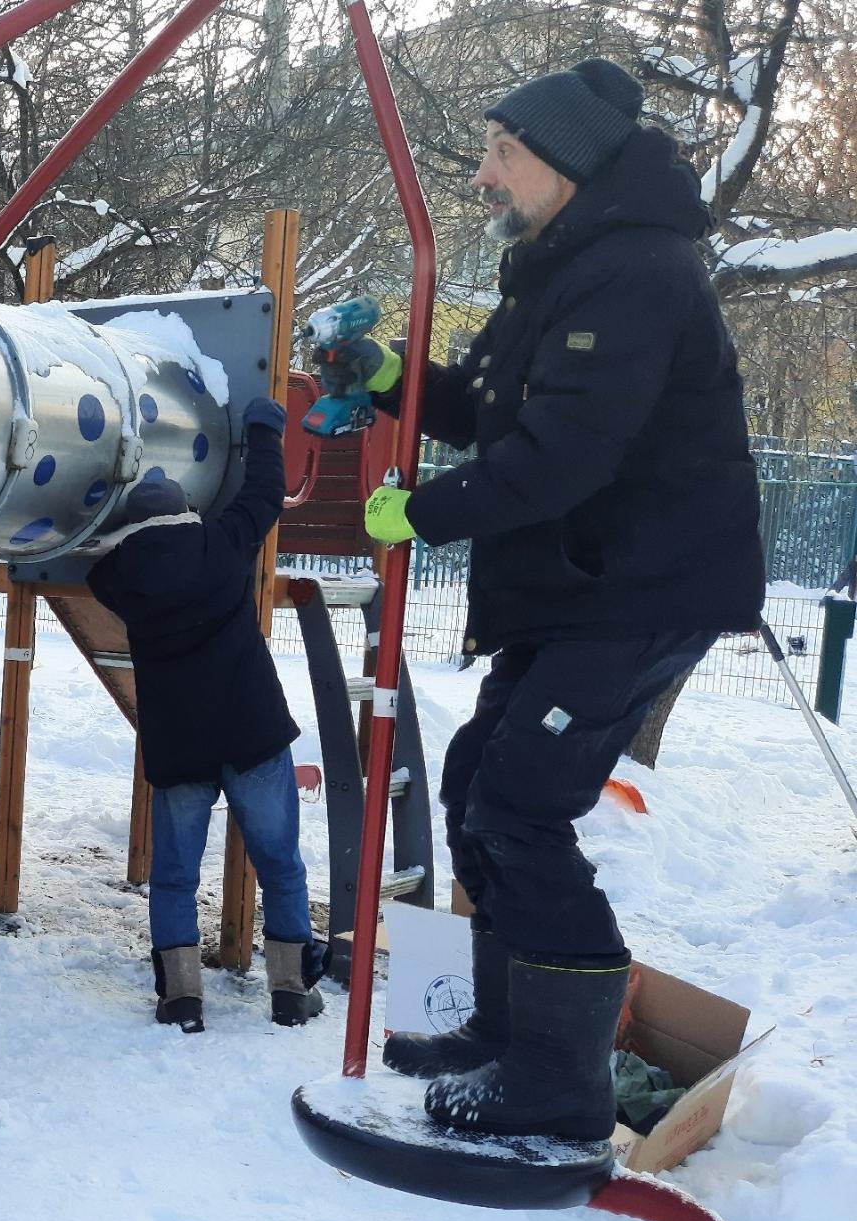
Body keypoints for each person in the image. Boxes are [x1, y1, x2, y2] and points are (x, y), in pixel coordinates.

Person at [327, 58, 763, 1139]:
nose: (482, 175)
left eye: (500, 152)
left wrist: (419, 517)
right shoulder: (559, 265)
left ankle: (562, 1080)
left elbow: (562, 456)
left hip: (635, 589)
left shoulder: (639, 277)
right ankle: (504, 1031)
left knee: (520, 805)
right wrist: (388, 374)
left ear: (562, 162)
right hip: (576, 589)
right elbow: (486, 408)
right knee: (481, 779)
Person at [85, 395, 325, 1034]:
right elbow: (267, 494)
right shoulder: (224, 543)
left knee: (172, 877)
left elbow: (95, 548)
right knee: (280, 864)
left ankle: (181, 998)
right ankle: (291, 990)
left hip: (179, 745)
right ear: (189, 515)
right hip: (252, 732)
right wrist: (263, 430)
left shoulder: (116, 579)